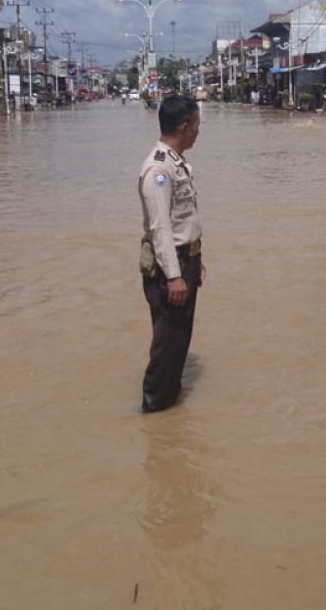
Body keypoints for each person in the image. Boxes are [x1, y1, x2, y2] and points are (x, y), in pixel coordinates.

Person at [137, 95, 206, 413]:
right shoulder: (159, 169)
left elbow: (182, 221)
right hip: (171, 268)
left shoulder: (176, 164)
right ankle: (155, 412)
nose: (198, 132)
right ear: (184, 127)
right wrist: (175, 275)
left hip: (184, 260)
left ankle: (169, 410)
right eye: (197, 125)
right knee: (168, 346)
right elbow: (160, 227)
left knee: (178, 341)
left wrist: (196, 259)